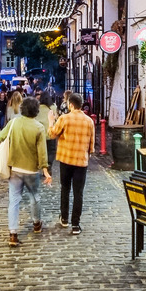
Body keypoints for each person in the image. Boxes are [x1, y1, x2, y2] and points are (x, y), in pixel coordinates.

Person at [0, 97, 52, 246]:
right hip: (31, 170)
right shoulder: (38, 127)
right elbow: (42, 152)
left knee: (14, 200)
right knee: (35, 197)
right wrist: (45, 170)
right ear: (36, 110)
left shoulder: (13, 123)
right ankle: (36, 223)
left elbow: (0, 136)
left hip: (15, 168)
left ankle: (13, 233)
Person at [48, 93, 95, 235]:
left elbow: (52, 134)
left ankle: (64, 218)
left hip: (66, 159)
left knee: (65, 189)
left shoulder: (64, 118)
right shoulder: (89, 121)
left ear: (71, 105)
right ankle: (76, 224)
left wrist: (51, 121)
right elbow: (92, 146)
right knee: (78, 192)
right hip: (81, 161)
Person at [35, 92, 58, 174]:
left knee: (42, 151)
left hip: (40, 132)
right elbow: (56, 118)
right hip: (50, 132)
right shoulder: (53, 107)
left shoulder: (37, 107)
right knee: (51, 150)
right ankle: (49, 165)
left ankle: (43, 166)